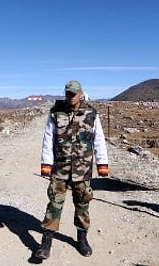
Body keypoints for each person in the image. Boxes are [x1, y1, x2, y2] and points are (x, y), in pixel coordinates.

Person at [35, 80, 109, 259]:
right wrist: (46, 163)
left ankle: (82, 239)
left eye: (74, 93)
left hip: (82, 169)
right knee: (54, 203)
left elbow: (98, 139)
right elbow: (48, 138)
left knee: (82, 204)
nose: (71, 96)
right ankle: (46, 243)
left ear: (81, 94)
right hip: (60, 167)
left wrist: (102, 163)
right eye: (68, 93)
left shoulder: (91, 113)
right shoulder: (56, 112)